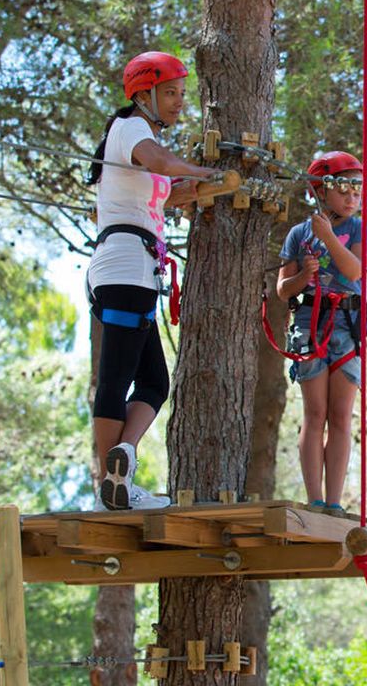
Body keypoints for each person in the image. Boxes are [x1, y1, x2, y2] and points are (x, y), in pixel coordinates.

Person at [87, 51, 223, 511]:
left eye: (182, 94)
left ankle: (122, 459)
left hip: (134, 270)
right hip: (125, 266)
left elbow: (166, 190)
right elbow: (160, 162)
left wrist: (207, 187)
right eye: (169, 93)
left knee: (152, 384)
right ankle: (112, 486)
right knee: (116, 378)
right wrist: (204, 172)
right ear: (142, 94)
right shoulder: (132, 128)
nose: (178, 102)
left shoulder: (138, 143)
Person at [275, 152, 367, 517]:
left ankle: (334, 501)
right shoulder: (298, 234)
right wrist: (303, 277)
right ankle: (314, 498)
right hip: (309, 323)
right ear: (321, 192)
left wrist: (329, 238)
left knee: (341, 415)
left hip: (346, 326)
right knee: (315, 412)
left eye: (356, 190)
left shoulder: (359, 229)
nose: (352, 198)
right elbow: (284, 289)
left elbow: (354, 269)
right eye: (344, 189)